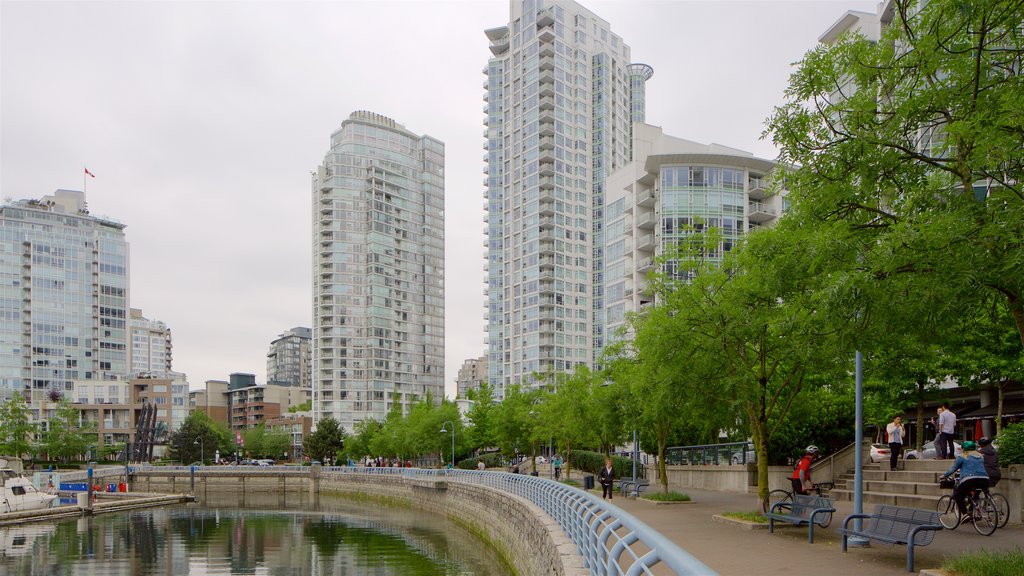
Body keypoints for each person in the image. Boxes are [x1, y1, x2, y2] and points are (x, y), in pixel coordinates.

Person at [939, 440, 988, 519]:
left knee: (958, 496)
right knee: (974, 497)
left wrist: (944, 475)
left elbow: (953, 469)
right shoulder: (981, 456)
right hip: (985, 479)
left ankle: (965, 514)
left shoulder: (962, 457)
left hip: (970, 479)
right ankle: (974, 512)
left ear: (964, 449)